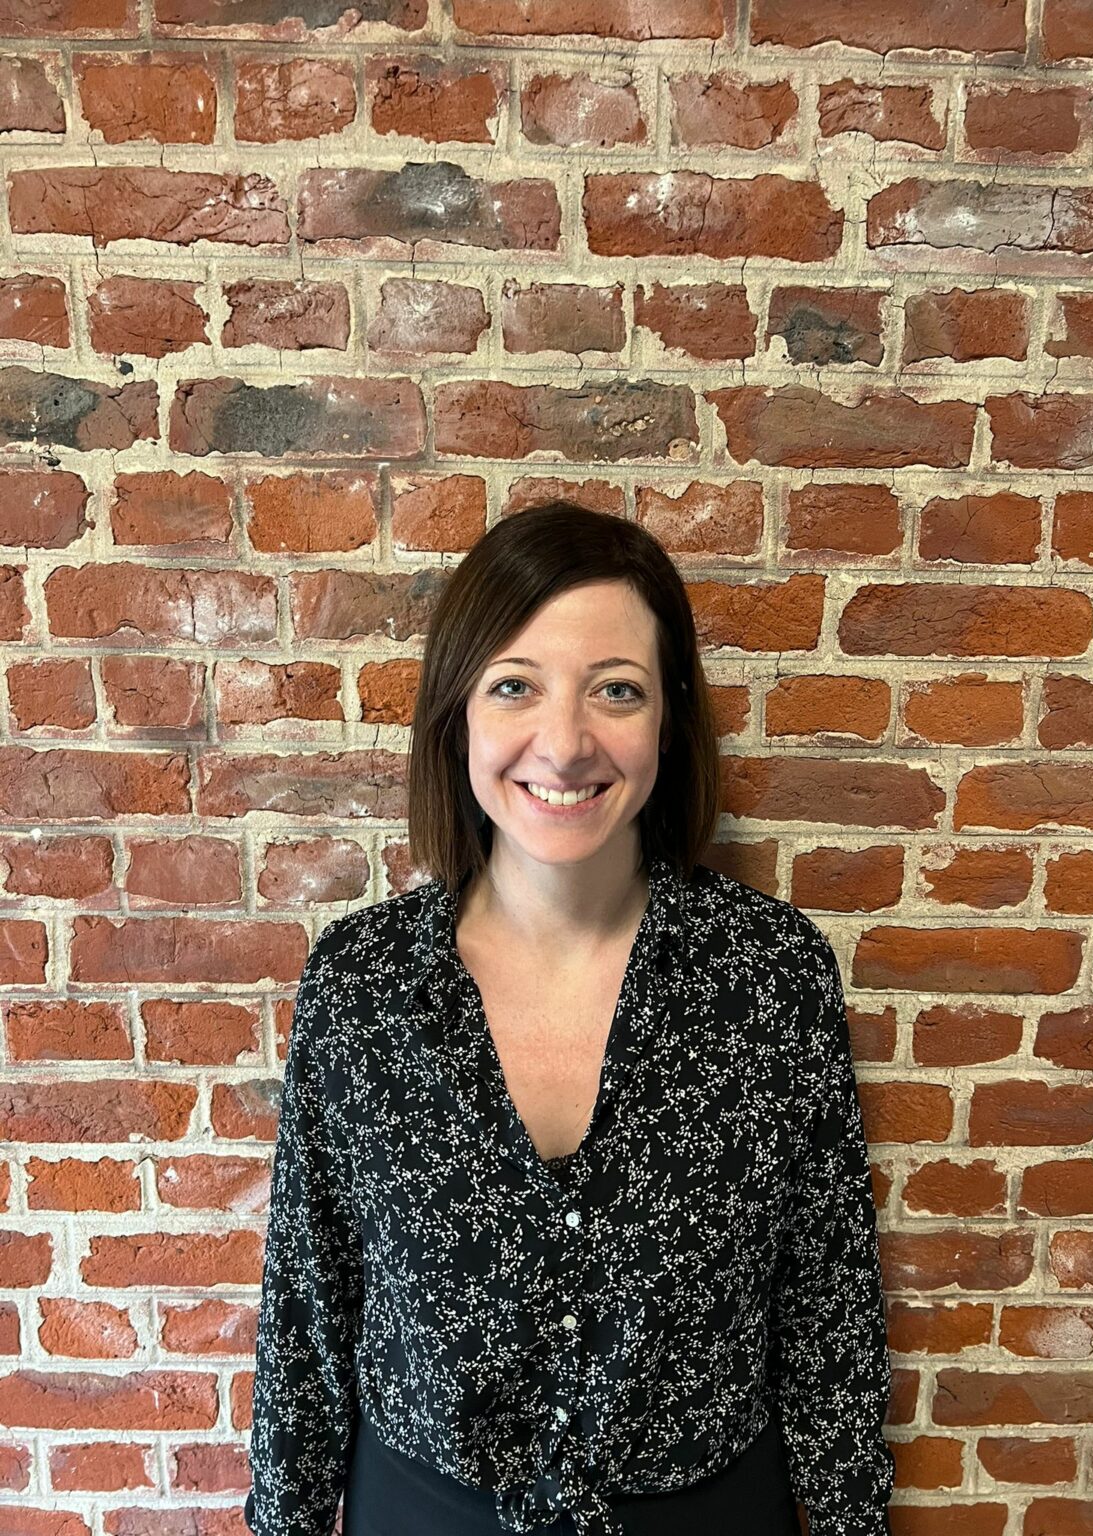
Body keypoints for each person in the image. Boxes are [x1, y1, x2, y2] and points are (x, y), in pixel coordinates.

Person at [243, 501, 895, 1536]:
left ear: (669, 718)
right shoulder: (362, 988)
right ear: (457, 711)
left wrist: (854, 1519)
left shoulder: (772, 979)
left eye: (616, 689)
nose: (564, 743)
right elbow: (307, 1309)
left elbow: (828, 1308)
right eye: (515, 685)